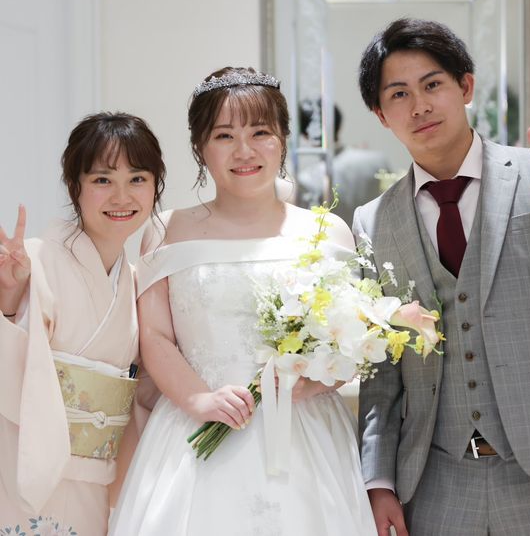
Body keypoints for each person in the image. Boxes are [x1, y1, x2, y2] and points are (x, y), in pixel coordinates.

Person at [109, 67, 378, 535]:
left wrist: (318, 380)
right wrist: (200, 398)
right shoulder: (166, 229)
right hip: (194, 428)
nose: (244, 151)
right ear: (200, 146)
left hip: (305, 432)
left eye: (260, 133)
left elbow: (350, 339)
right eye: (224, 136)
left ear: (283, 139)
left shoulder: (327, 231)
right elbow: (155, 336)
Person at [353, 16, 530, 536]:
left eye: (432, 84)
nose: (420, 105)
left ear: (466, 87)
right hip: (436, 482)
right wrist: (378, 480)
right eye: (399, 94)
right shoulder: (373, 222)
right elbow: (380, 372)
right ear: (381, 114)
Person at [0, 112, 166, 535]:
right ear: (75, 186)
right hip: (25, 462)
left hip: (95, 476)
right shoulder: (34, 259)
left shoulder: (133, 281)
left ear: (155, 186)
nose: (121, 196)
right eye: (102, 180)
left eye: (137, 179)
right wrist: (10, 299)